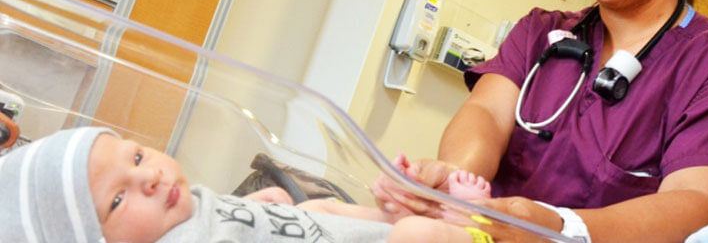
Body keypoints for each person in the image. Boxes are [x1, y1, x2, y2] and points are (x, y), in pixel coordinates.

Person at [372, 0, 708, 242]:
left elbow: (697, 200)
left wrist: (559, 228)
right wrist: (455, 175)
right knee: (323, 213)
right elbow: (487, 114)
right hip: (485, 232)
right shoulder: (539, 33)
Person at [0, 127, 494, 243]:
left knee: (329, 209)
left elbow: (226, 218)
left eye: (136, 156)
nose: (149, 176)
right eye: (116, 198)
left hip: (304, 229)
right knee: (412, 238)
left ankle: (408, 216)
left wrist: (259, 202)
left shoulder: (179, 207)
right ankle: (468, 229)